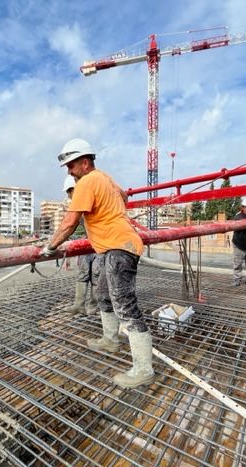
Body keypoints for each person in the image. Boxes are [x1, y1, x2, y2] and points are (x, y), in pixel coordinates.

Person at [41, 138, 154, 389]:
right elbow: (123, 197)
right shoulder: (105, 178)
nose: (69, 172)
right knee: (103, 294)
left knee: (125, 307)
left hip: (119, 247)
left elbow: (70, 223)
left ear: (84, 162)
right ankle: (110, 339)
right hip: (112, 247)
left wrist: (50, 247)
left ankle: (144, 370)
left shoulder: (87, 182)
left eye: (71, 166)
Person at [62, 174, 98, 315]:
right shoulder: (78, 203)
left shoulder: (89, 198)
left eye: (70, 193)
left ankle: (93, 307)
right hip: (88, 241)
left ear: (74, 189)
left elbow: (70, 225)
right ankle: (79, 305)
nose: (69, 196)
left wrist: (53, 245)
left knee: (96, 275)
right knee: (83, 273)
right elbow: (71, 224)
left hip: (100, 244)